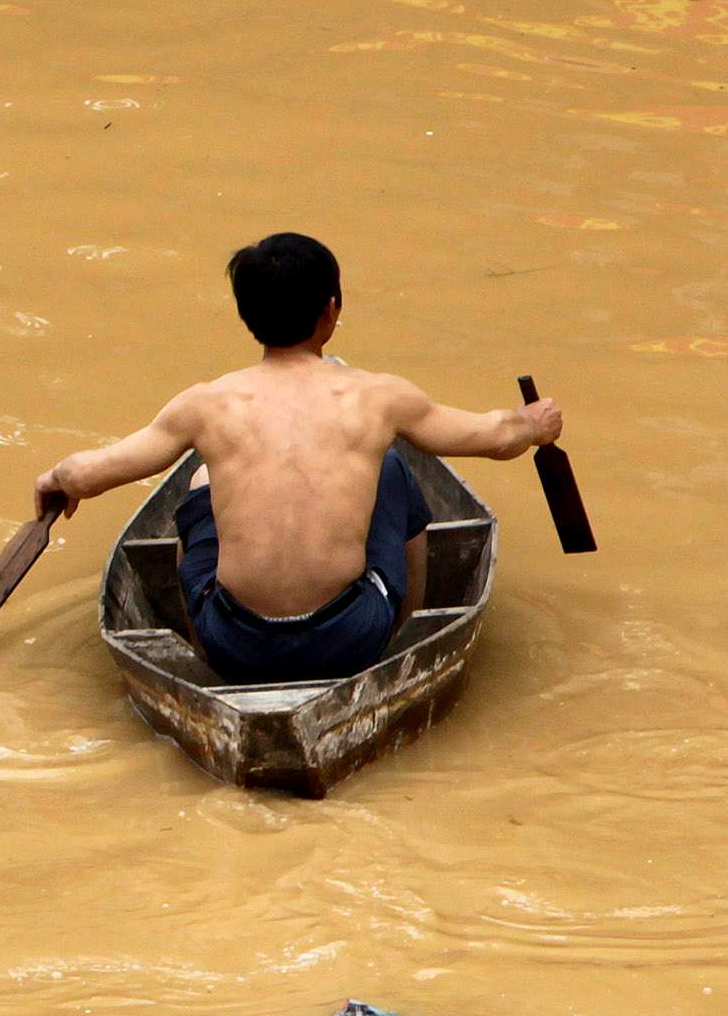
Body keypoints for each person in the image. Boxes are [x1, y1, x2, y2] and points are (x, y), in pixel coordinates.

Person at [30, 232, 562, 684]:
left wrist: (57, 479)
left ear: (247, 316)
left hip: (235, 643)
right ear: (331, 310)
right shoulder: (377, 397)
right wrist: (535, 425)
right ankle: (397, 643)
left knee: (196, 487)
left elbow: (89, 474)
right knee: (395, 469)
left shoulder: (205, 405)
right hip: (350, 637)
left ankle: (206, 661)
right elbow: (495, 437)